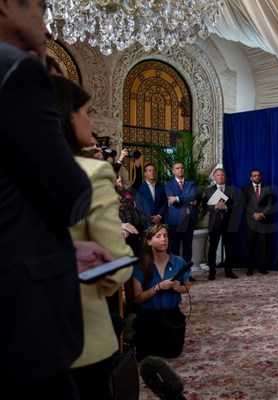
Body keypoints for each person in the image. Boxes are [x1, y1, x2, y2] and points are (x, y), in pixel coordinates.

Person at [0, 1, 100, 398]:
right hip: (20, 318)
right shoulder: (17, 71)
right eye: (41, 11)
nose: (47, 27)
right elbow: (71, 194)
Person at [50, 75, 134, 400]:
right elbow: (115, 266)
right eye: (86, 112)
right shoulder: (91, 173)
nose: (91, 121)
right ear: (67, 116)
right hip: (82, 336)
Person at [132, 224, 191, 360]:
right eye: (158, 236)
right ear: (149, 241)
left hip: (172, 316)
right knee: (147, 357)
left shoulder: (179, 262)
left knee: (173, 354)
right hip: (149, 318)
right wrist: (158, 287)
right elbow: (138, 298)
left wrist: (178, 288)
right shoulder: (141, 265)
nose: (163, 239)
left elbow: (187, 286)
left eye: (165, 236)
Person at [202, 168, 241, 280]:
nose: (220, 177)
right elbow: (204, 206)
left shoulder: (232, 190)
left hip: (229, 223)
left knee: (229, 248)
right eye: (218, 175)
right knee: (212, 248)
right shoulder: (208, 190)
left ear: (225, 177)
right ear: (214, 177)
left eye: (222, 175)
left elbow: (237, 205)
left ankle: (229, 271)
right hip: (214, 223)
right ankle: (212, 272)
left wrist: (226, 207)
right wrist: (214, 207)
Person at [165, 162, 198, 270]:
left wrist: (177, 198)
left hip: (189, 220)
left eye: (182, 168)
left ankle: (186, 273)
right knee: (174, 249)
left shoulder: (191, 183)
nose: (180, 170)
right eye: (177, 168)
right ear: (173, 171)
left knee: (187, 248)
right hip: (175, 221)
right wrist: (188, 200)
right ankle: (176, 273)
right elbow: (171, 200)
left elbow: (193, 196)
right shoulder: (168, 185)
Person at [242, 169, 276, 275]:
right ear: (251, 178)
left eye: (258, 175)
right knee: (250, 245)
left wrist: (262, 214)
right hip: (251, 221)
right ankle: (250, 268)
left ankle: (262, 268)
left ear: (260, 177)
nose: (256, 177)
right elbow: (244, 204)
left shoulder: (268, 189)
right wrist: (253, 214)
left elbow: (270, 204)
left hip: (263, 220)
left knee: (263, 246)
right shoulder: (245, 189)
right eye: (254, 175)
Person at [136, 162, 168, 228]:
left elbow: (165, 203)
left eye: (153, 170)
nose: (152, 172)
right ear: (145, 173)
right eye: (150, 171)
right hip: (147, 222)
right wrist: (150, 218)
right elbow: (139, 207)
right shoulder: (140, 189)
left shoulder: (161, 187)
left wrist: (159, 216)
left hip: (160, 221)